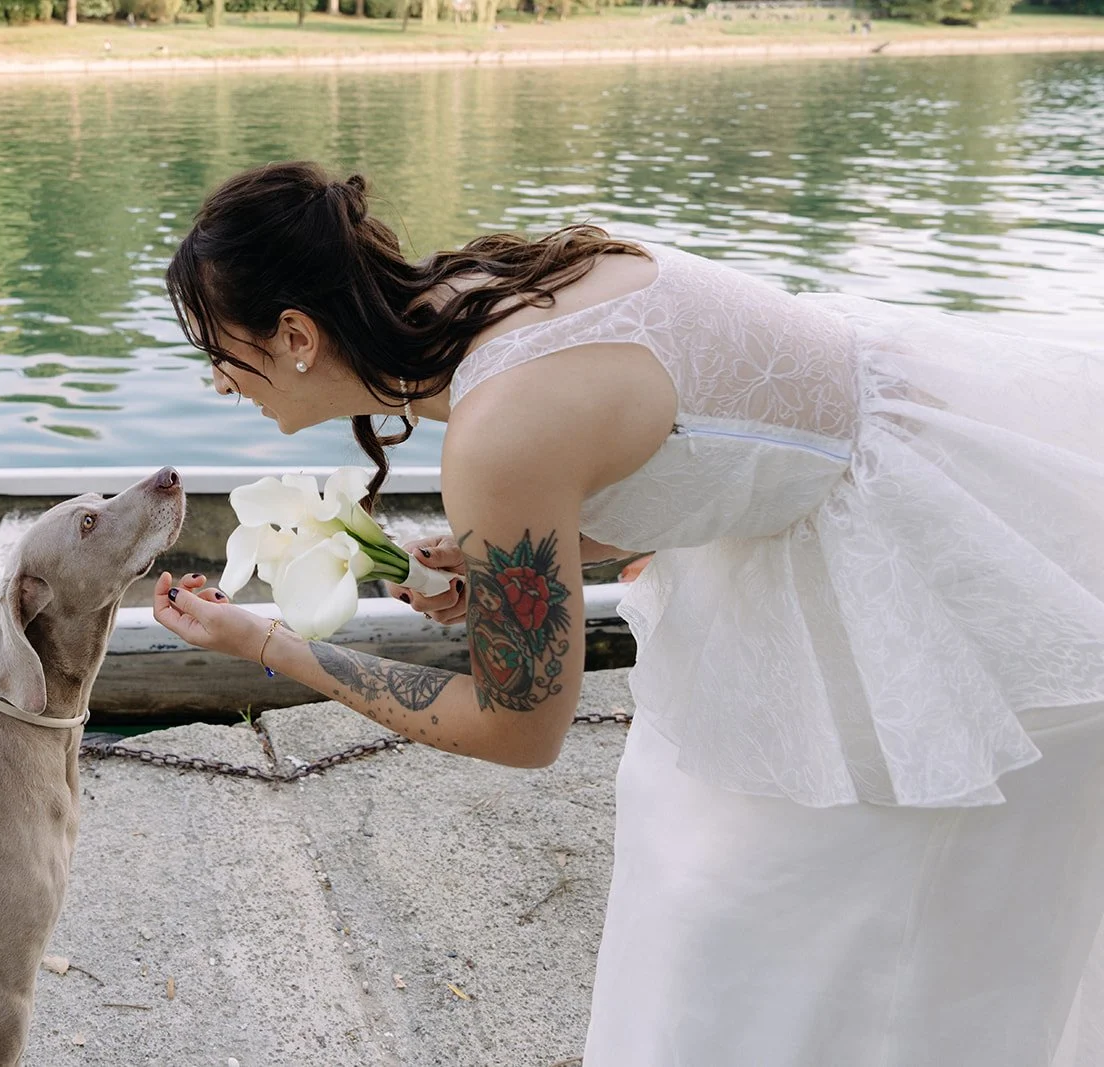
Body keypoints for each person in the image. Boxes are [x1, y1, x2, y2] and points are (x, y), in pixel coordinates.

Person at [150, 160, 1104, 1066]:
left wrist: (271, 645)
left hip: (911, 566)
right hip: (880, 473)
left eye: (218, 352)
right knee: (699, 855)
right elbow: (694, 448)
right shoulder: (494, 283)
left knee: (792, 901)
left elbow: (518, 729)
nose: (216, 381)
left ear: (296, 334)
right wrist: (524, 561)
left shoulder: (499, 429)